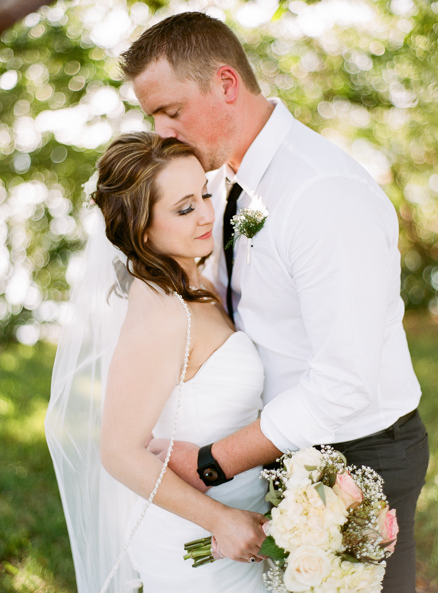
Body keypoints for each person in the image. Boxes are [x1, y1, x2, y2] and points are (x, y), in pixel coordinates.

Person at [122, 12, 427, 593]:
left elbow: (345, 385)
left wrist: (214, 462)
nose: (161, 132)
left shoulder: (322, 195)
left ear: (227, 84)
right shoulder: (226, 179)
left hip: (360, 453)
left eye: (172, 111)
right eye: (151, 116)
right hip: (279, 445)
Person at [46, 131, 269, 593]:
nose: (207, 214)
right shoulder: (164, 312)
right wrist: (221, 520)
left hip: (242, 520)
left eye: (205, 194)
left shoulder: (199, 280)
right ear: (141, 228)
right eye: (185, 208)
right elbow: (119, 452)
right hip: (199, 544)